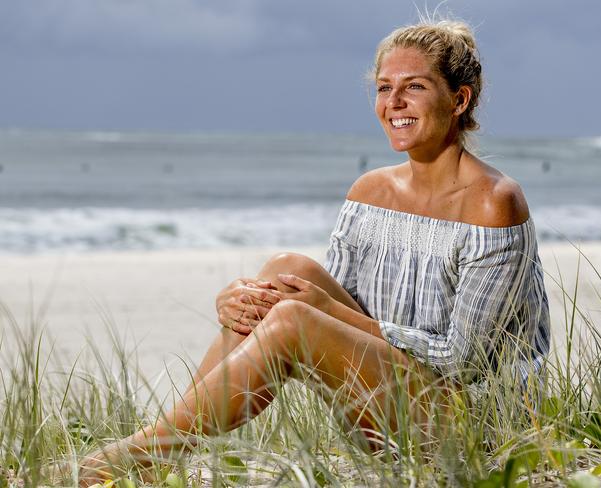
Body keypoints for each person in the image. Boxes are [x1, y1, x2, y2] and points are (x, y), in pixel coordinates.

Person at [79, 19, 550, 486]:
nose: (394, 103)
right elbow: (329, 315)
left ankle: (134, 456)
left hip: (469, 429)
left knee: (293, 320)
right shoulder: (370, 193)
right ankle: (159, 448)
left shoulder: (494, 202)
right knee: (285, 271)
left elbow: (463, 361)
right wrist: (239, 306)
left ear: (459, 99)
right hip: (381, 406)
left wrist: (316, 312)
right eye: (384, 88)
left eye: (415, 87)